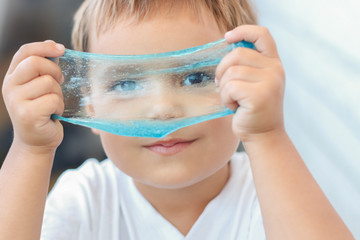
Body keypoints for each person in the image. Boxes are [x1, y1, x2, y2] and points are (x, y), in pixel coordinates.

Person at [0, 0, 354, 239]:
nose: (162, 109)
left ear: (242, 85)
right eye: (125, 83)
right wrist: (30, 150)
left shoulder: (275, 195)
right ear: (91, 108)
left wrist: (267, 134)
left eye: (195, 77)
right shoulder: (84, 201)